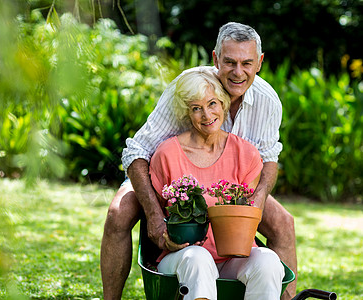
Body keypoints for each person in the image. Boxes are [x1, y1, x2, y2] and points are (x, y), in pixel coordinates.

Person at [101, 22, 297, 300]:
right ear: (216, 58)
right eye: (229, 62)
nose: (238, 72)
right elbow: (137, 152)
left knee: (283, 224)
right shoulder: (189, 88)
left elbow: (268, 159)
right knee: (118, 212)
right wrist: (156, 217)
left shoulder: (268, 101)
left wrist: (257, 202)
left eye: (246, 63)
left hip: (232, 185)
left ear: (259, 62)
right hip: (169, 174)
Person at [150, 69, 284, 300]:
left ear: (222, 104)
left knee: (268, 261)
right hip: (183, 257)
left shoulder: (246, 154)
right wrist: (166, 238)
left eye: (212, 103)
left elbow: (246, 212)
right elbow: (160, 214)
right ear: (187, 113)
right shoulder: (167, 154)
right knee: (199, 259)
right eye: (196, 108)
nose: (206, 114)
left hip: (234, 256)